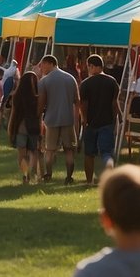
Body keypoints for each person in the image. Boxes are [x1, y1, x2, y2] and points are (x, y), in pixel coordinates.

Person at [38, 54, 81, 184]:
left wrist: (38, 117)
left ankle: (48, 174)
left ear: (50, 63)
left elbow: (41, 103)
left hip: (51, 119)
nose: (41, 68)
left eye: (43, 65)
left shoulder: (44, 81)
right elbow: (77, 100)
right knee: (69, 150)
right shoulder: (70, 78)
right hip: (68, 119)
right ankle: (69, 176)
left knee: (49, 150)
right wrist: (77, 120)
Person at [79, 54, 121, 186]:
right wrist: (115, 119)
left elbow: (84, 105)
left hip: (91, 123)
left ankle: (89, 181)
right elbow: (114, 103)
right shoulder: (112, 81)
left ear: (91, 66)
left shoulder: (85, 84)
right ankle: (109, 169)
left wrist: (84, 120)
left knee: (89, 154)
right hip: (107, 122)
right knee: (106, 153)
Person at [8, 71, 42, 185]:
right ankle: (33, 175)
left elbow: (13, 114)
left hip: (20, 128)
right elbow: (39, 115)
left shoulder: (16, 96)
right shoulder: (37, 98)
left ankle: (25, 175)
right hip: (33, 128)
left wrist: (10, 129)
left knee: (22, 154)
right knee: (33, 152)